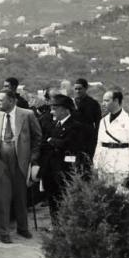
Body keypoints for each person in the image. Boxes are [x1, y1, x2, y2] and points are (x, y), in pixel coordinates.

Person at [0, 89, 42, 243]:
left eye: (1, 100)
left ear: (11, 101)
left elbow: (38, 138)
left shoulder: (27, 114)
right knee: (2, 198)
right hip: (0, 163)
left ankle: (22, 228)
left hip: (20, 162)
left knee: (21, 197)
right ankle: (4, 232)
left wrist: (33, 158)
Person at [39, 95, 87, 224]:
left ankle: (66, 224)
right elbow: (44, 144)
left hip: (64, 169)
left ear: (65, 109)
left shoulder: (76, 126)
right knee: (52, 198)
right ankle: (55, 224)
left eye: (55, 109)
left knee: (64, 198)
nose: (52, 112)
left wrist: (52, 141)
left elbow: (72, 146)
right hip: (50, 168)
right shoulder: (53, 125)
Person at [93, 91, 129, 188]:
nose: (103, 103)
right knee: (104, 196)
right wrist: (95, 164)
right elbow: (99, 144)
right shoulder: (103, 121)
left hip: (121, 166)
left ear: (116, 101)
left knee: (122, 196)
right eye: (103, 100)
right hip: (104, 165)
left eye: (107, 100)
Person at [73, 78, 102, 159]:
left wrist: (96, 140)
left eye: (80, 89)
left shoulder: (93, 104)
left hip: (88, 139)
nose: (77, 91)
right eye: (76, 89)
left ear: (85, 89)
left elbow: (98, 123)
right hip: (73, 139)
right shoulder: (70, 104)